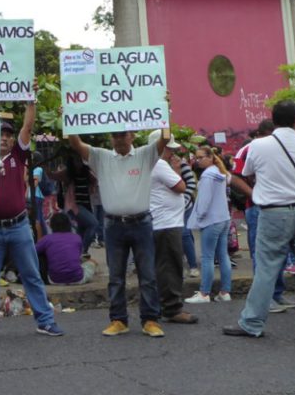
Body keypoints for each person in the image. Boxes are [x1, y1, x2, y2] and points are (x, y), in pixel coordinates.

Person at [223, 100, 295, 342]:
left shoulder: (258, 146)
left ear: (274, 118)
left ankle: (252, 322)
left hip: (273, 213)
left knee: (267, 270)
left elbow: (244, 173)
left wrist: (256, 195)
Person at [0, 98, 63, 340]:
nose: (4, 138)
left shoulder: (18, 156)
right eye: (0, 134)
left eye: (8, 135)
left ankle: (45, 320)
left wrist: (31, 101)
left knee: (31, 274)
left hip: (18, 225)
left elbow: (28, 126)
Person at [68, 127, 169, 338]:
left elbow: (165, 139)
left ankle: (150, 320)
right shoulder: (101, 156)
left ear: (132, 135)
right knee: (116, 276)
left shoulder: (145, 154)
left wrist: (164, 113)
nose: (118, 138)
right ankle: (118, 320)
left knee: (147, 275)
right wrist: (68, 119)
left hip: (141, 222)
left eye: (122, 134)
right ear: (110, 137)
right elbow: (76, 144)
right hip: (113, 225)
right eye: (114, 135)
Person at [233, 119, 294, 313]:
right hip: (258, 208)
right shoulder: (248, 150)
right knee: (262, 255)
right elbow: (234, 177)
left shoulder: (283, 149)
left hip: (282, 207)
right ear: (266, 134)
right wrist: (254, 195)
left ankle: (277, 293)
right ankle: (265, 299)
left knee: (281, 253)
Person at [147, 131, 198, 324]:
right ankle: (172, 308)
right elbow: (180, 187)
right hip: (166, 223)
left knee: (163, 266)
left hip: (163, 222)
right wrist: (176, 170)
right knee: (171, 266)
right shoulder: (159, 164)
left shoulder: (151, 164)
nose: (172, 154)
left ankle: (163, 305)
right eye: (169, 149)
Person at [185, 146, 234, 304]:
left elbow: (204, 202)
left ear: (210, 157)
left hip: (211, 220)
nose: (198, 160)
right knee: (223, 256)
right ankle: (225, 291)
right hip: (224, 218)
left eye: (201, 157)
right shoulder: (220, 173)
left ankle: (204, 293)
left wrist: (199, 217)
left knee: (207, 257)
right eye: (196, 158)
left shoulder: (207, 176)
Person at [36, 213, 93, 285]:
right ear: (69, 224)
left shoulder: (47, 239)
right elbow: (78, 255)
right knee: (91, 262)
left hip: (54, 279)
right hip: (77, 278)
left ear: (51, 225)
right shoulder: (76, 237)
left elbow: (34, 252)